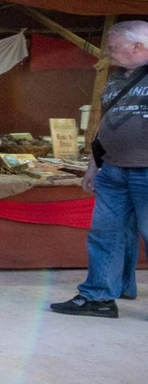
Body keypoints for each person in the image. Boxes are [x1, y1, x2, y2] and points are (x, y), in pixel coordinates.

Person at [49, 19, 148, 318]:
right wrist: (94, 165)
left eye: (114, 47)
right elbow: (105, 126)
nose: (108, 52)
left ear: (138, 46)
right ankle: (99, 297)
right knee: (105, 234)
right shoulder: (116, 78)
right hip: (114, 171)